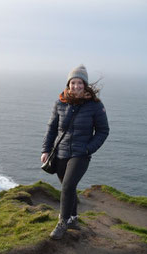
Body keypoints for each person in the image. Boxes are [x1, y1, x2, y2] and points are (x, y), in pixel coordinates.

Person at [41, 65, 109, 240]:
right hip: (61, 152)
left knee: (67, 186)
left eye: (80, 82)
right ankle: (73, 218)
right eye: (73, 82)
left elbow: (103, 131)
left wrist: (88, 148)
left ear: (85, 85)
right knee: (68, 188)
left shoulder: (95, 105)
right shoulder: (60, 103)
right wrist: (46, 150)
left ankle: (62, 223)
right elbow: (52, 128)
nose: (76, 86)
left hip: (81, 153)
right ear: (68, 84)